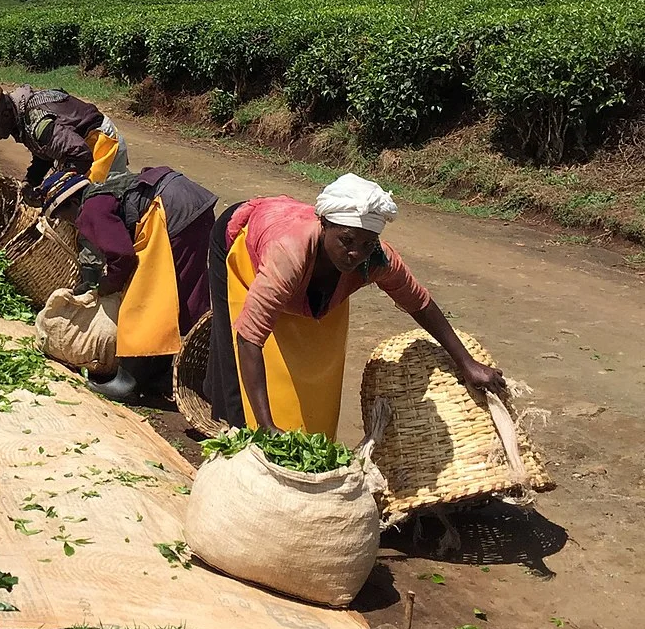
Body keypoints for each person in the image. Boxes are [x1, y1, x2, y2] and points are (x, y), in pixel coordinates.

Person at [205, 173, 505, 436]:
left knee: (310, 379)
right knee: (234, 368)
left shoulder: (377, 259)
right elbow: (248, 336)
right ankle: (232, 425)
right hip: (240, 236)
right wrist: (266, 427)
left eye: (366, 244)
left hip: (293, 265)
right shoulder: (290, 253)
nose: (355, 254)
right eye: (347, 241)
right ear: (323, 225)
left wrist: (466, 363)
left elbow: (420, 303)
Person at [42, 164, 217, 402]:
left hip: (173, 211)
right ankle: (160, 373)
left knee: (144, 298)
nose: (67, 221)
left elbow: (123, 257)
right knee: (175, 293)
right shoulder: (101, 195)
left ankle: (128, 382)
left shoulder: (90, 210)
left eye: (61, 215)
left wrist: (108, 284)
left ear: (71, 203)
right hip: (192, 204)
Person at [0, 82, 128, 186]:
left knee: (101, 206)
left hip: (102, 146)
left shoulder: (38, 124)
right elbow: (46, 151)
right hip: (85, 149)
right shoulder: (21, 116)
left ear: (5, 116)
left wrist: (52, 185)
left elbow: (80, 155)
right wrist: (31, 181)